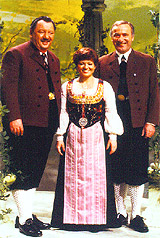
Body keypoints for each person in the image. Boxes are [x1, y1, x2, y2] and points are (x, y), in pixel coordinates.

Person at [50, 47, 123, 232]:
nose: (86, 67)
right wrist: (60, 135)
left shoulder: (103, 86)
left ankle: (96, 219)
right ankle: (71, 218)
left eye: (89, 63)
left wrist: (113, 136)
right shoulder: (67, 86)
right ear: (77, 66)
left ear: (95, 65)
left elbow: (110, 111)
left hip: (96, 136)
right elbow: (63, 112)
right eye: (82, 63)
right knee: (74, 176)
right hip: (73, 135)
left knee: (95, 176)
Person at [97, 20, 159, 233]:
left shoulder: (147, 61)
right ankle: (118, 211)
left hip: (138, 123)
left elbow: (154, 94)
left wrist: (151, 122)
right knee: (115, 168)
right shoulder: (102, 62)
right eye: (116, 35)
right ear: (111, 37)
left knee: (137, 168)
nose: (120, 39)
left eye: (124, 35)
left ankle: (136, 215)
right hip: (112, 124)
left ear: (132, 36)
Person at [1, 16, 61, 237]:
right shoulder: (16, 54)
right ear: (32, 33)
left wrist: (58, 123)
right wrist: (14, 117)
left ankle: (25, 214)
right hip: (22, 123)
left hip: (45, 123)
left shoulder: (52, 59)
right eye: (41, 32)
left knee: (35, 170)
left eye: (50, 33)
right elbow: (8, 89)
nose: (46, 36)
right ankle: (25, 219)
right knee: (22, 170)